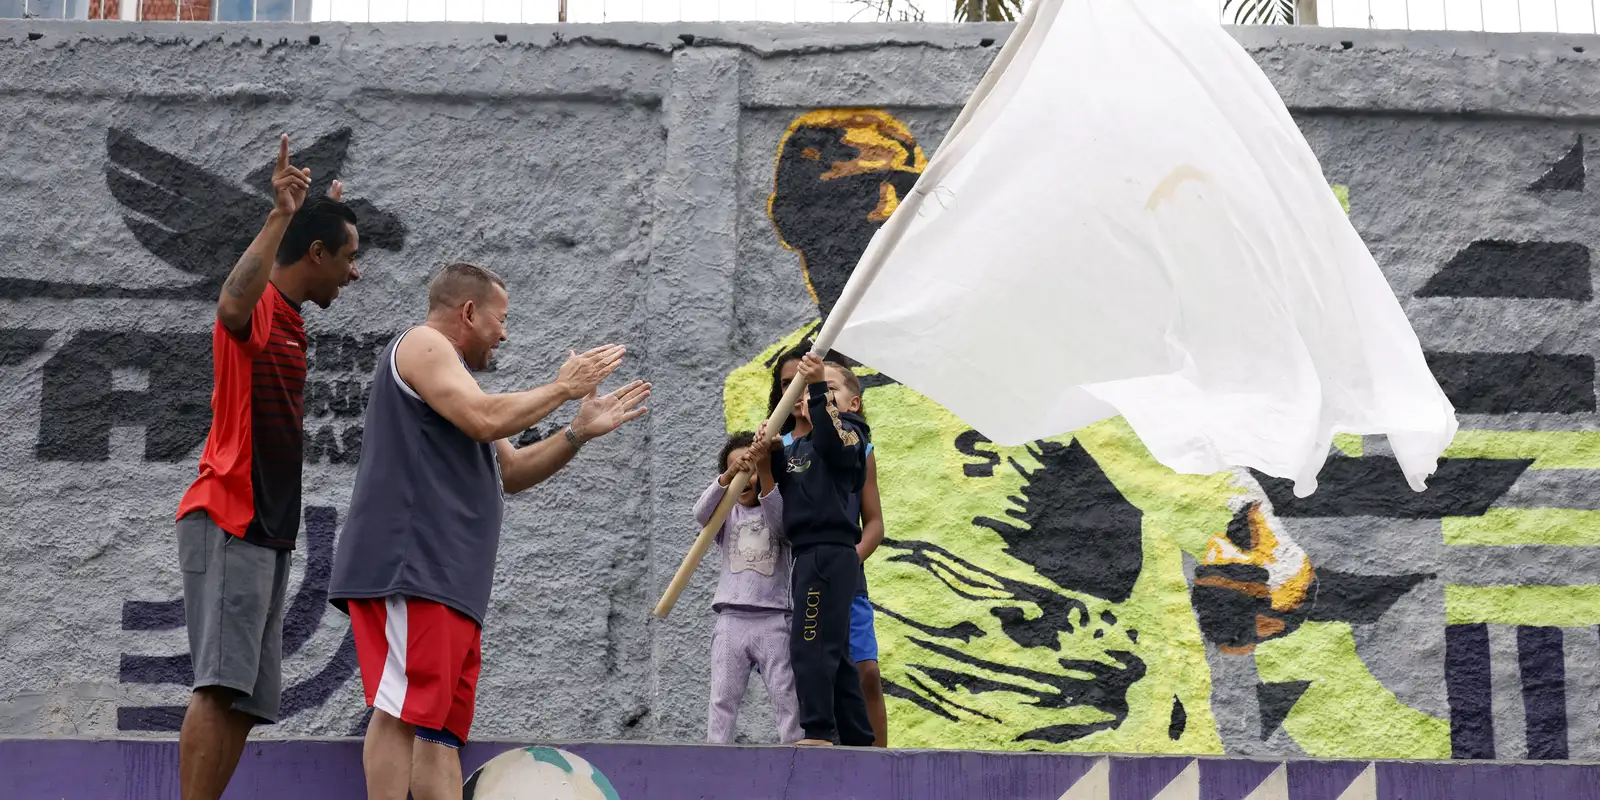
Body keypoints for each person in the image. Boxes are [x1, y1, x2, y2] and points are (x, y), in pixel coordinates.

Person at [327, 262, 651, 800]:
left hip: (451, 584)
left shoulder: (459, 385)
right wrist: (562, 388)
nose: (504, 334)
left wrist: (576, 432)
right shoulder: (424, 345)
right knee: (400, 711)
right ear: (469, 312)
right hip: (412, 570)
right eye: (501, 320)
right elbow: (483, 418)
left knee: (440, 734)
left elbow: (513, 470)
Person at [173, 135, 362, 800]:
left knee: (246, 700)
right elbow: (230, 303)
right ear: (316, 255)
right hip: (231, 514)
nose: (354, 274)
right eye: (348, 258)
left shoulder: (292, 319)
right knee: (217, 686)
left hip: (269, 528)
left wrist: (324, 218)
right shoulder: (258, 309)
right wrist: (283, 215)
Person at [769, 345, 888, 747]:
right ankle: (858, 739)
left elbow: (833, 440)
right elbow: (787, 490)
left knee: (811, 644)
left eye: (829, 388)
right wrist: (769, 454)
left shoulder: (850, 434)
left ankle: (818, 731)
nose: (815, 393)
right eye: (809, 389)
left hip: (830, 551)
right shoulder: (800, 446)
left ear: (853, 403)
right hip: (806, 554)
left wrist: (819, 389)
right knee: (834, 654)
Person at [697, 428, 802, 745]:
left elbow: (782, 527)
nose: (746, 477)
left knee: (785, 694)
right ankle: (716, 753)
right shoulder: (726, 515)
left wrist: (765, 472)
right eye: (739, 468)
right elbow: (700, 513)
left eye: (752, 470)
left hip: (773, 618)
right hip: (731, 618)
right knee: (723, 697)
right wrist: (728, 476)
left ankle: (795, 750)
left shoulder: (777, 508)